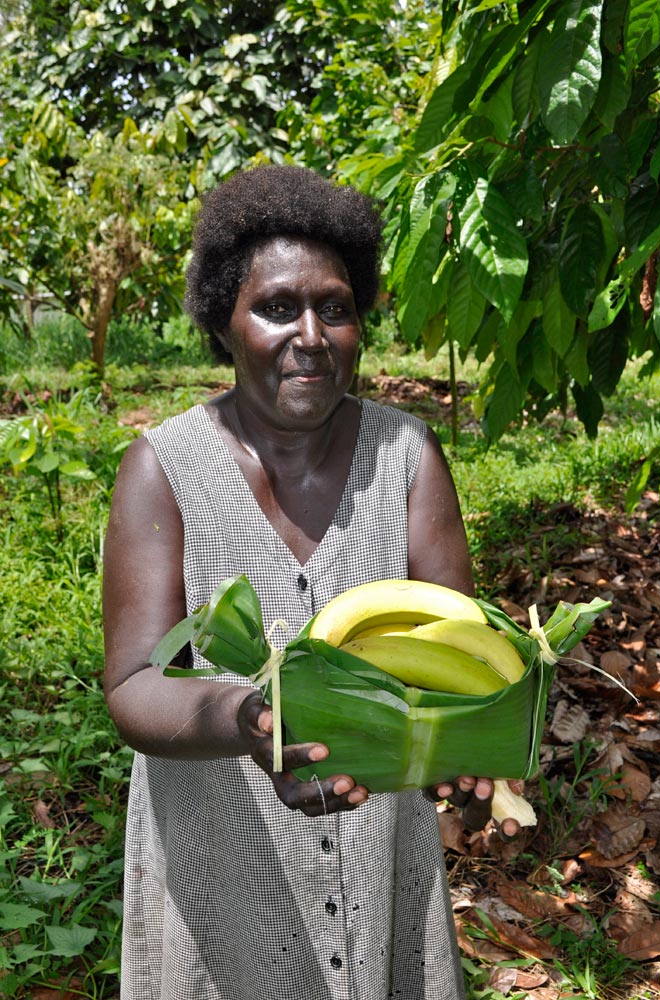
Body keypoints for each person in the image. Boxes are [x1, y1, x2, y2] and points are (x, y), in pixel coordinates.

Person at [103, 164, 518, 1000]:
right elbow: (134, 682)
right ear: (224, 320)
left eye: (335, 307)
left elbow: (458, 645)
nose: (311, 334)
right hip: (222, 862)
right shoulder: (162, 469)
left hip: (376, 856)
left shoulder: (406, 458)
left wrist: (469, 759)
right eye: (276, 307)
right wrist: (250, 720)